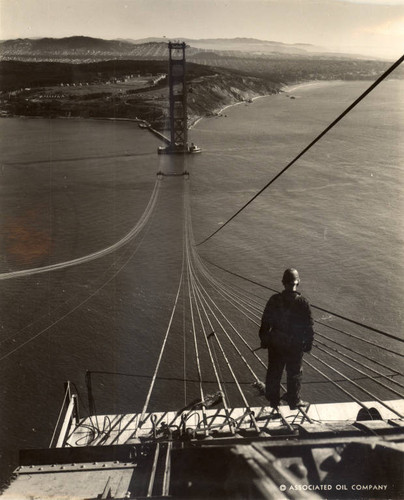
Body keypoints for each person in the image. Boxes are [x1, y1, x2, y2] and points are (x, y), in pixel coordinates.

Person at [259, 268, 314, 409]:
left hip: (276, 343)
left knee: (274, 372)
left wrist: (264, 340)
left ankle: (273, 401)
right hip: (294, 346)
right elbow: (308, 327)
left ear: (283, 282)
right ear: (298, 282)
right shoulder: (303, 302)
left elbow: (265, 322)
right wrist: (308, 344)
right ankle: (294, 401)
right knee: (295, 373)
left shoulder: (274, 300)